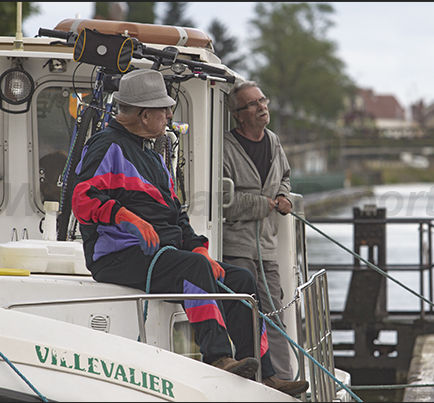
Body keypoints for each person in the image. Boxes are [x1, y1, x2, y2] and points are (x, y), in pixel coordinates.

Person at [71, 69, 308, 396]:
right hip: (117, 257)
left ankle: (266, 375)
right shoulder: (107, 144)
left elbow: (175, 217)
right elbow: (82, 198)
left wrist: (198, 248)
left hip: (163, 255)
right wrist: (129, 219)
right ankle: (218, 358)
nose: (170, 114)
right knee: (193, 268)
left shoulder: (154, 154)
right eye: (164, 109)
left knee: (240, 280)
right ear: (144, 114)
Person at [222, 81, 295, 381]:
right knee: (247, 316)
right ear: (238, 115)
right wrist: (264, 204)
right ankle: (253, 382)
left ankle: (284, 380)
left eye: (262, 100)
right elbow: (222, 202)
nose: (261, 106)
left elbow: (285, 178)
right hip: (236, 248)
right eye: (252, 104)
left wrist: (285, 197)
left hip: (266, 247)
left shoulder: (274, 142)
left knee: (275, 315)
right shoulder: (224, 148)